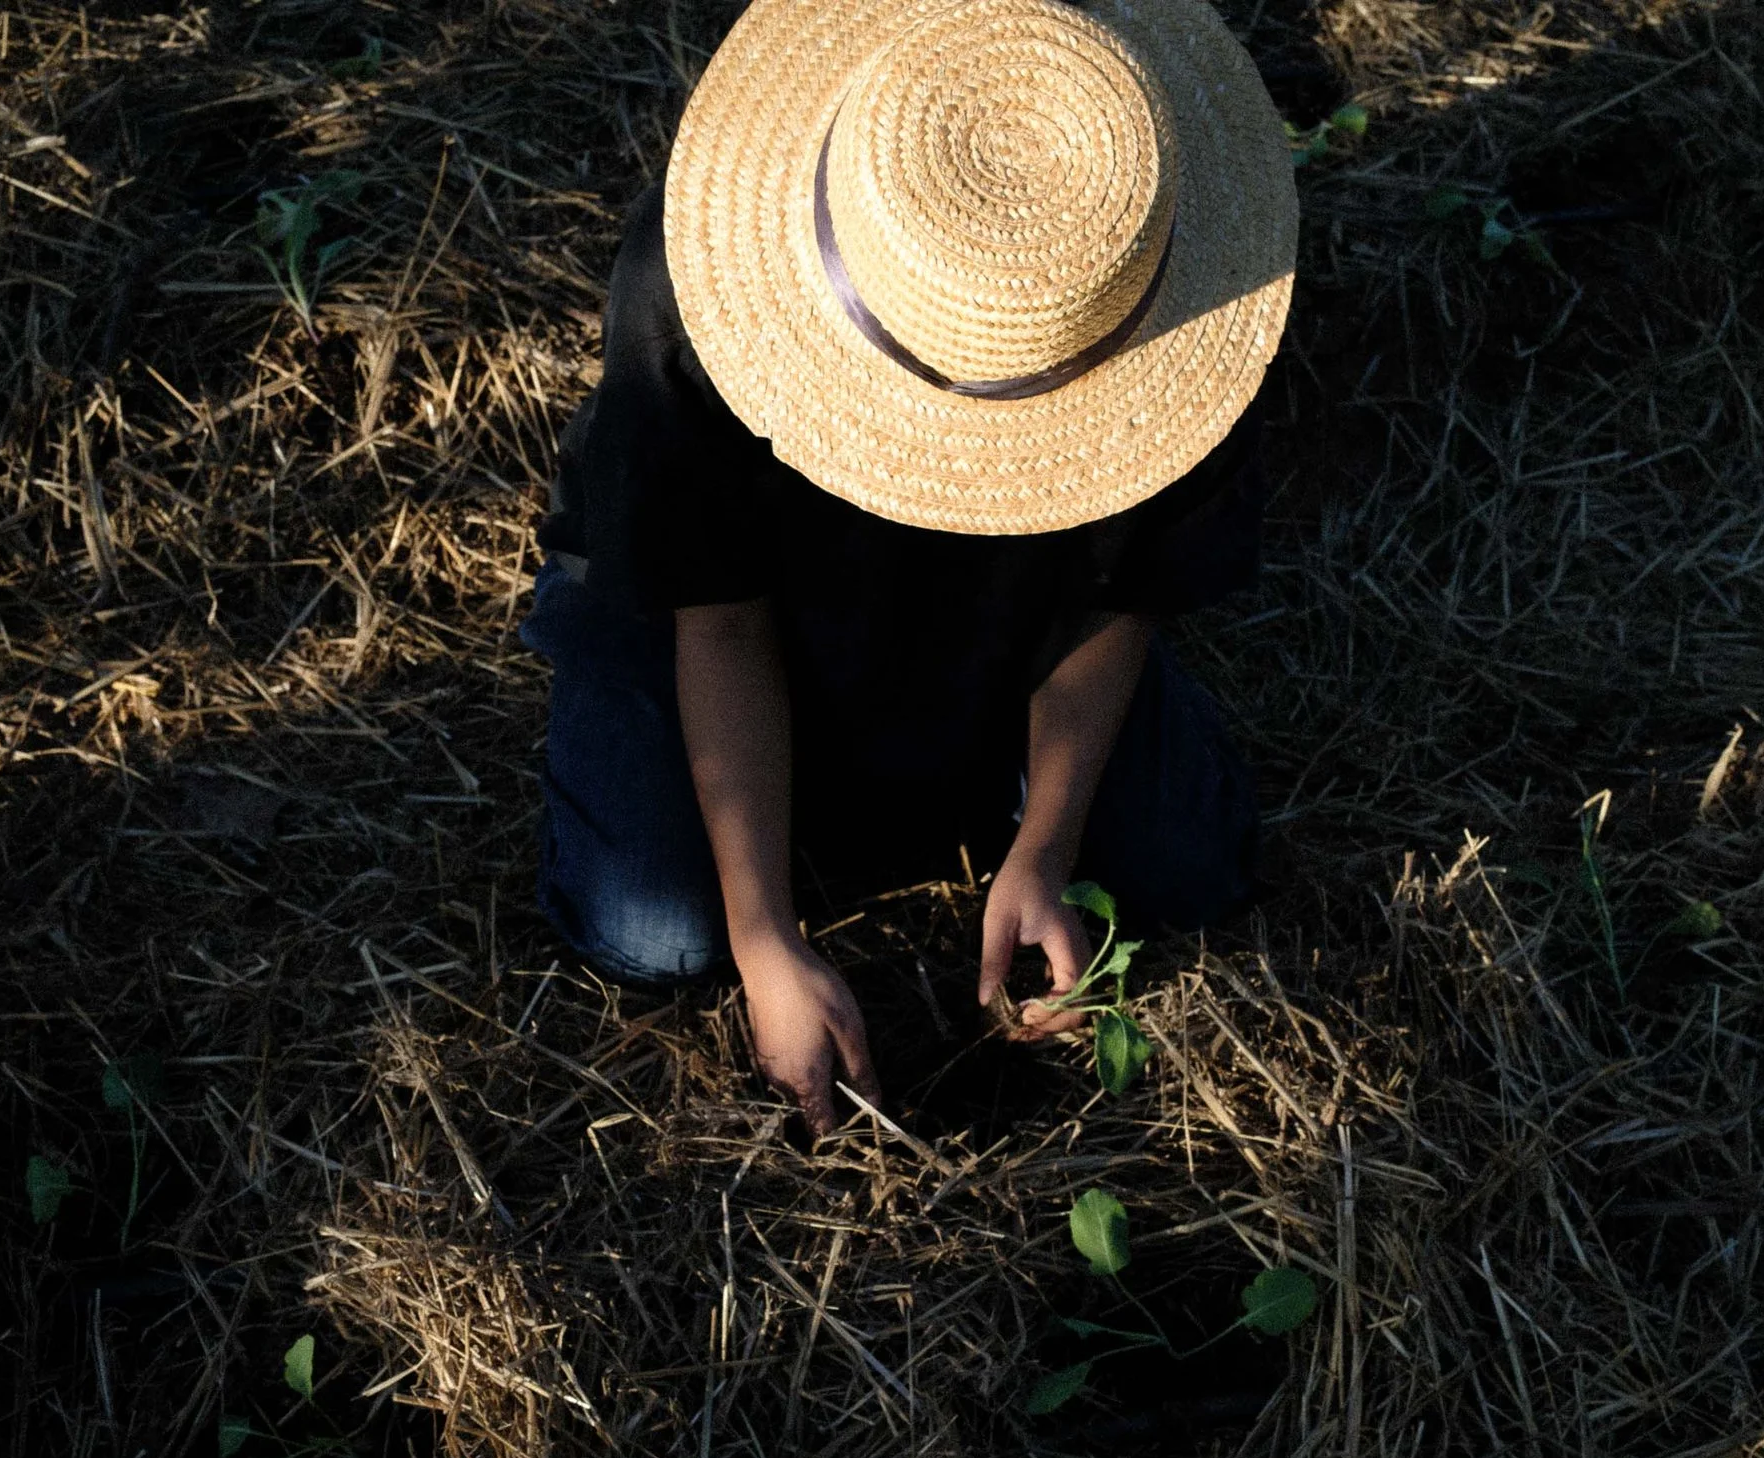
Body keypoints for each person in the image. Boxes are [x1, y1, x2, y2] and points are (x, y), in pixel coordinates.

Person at [523, 0, 1300, 1131]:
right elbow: (720, 615)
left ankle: (963, 791)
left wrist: (1049, 846)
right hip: (724, 609)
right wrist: (764, 937)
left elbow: (1120, 590)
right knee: (655, 933)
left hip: (1004, 618)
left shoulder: (1153, 278)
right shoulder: (694, 291)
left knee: (1190, 870)